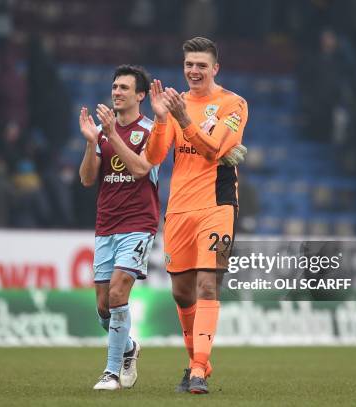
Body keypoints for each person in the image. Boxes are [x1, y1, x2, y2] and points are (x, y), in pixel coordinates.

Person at [107, 37, 248, 394]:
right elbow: (153, 157)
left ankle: (198, 369)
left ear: (215, 68)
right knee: (182, 293)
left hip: (217, 206)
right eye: (189, 65)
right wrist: (159, 118)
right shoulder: (174, 105)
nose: (194, 71)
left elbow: (215, 149)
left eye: (202, 65)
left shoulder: (233, 104)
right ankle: (197, 360)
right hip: (180, 208)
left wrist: (183, 119)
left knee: (206, 284)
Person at [78, 65, 159, 390]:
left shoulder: (151, 130)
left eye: (124, 87)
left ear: (140, 95)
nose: (116, 92)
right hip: (106, 224)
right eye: (114, 87)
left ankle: (111, 373)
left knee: (117, 293)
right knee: (102, 307)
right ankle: (128, 348)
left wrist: (110, 134)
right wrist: (90, 142)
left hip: (139, 223)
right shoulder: (100, 132)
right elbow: (86, 179)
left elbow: (141, 169)